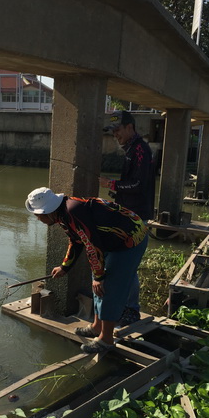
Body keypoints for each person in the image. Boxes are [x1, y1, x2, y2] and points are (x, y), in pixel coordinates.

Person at [25, 187, 148, 354]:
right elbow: (76, 240)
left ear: (48, 211)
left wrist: (100, 276)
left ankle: (106, 339)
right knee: (96, 283)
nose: (37, 218)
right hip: (109, 240)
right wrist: (65, 267)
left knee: (108, 287)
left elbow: (91, 246)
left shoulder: (73, 211)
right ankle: (97, 327)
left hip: (130, 239)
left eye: (38, 215)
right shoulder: (63, 214)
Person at [100, 110, 155, 327]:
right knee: (124, 262)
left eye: (118, 129)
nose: (115, 134)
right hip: (128, 214)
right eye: (112, 130)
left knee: (128, 264)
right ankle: (126, 306)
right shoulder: (132, 149)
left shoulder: (140, 150)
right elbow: (132, 185)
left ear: (130, 127)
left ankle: (132, 309)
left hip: (137, 217)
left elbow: (138, 186)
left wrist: (111, 184)